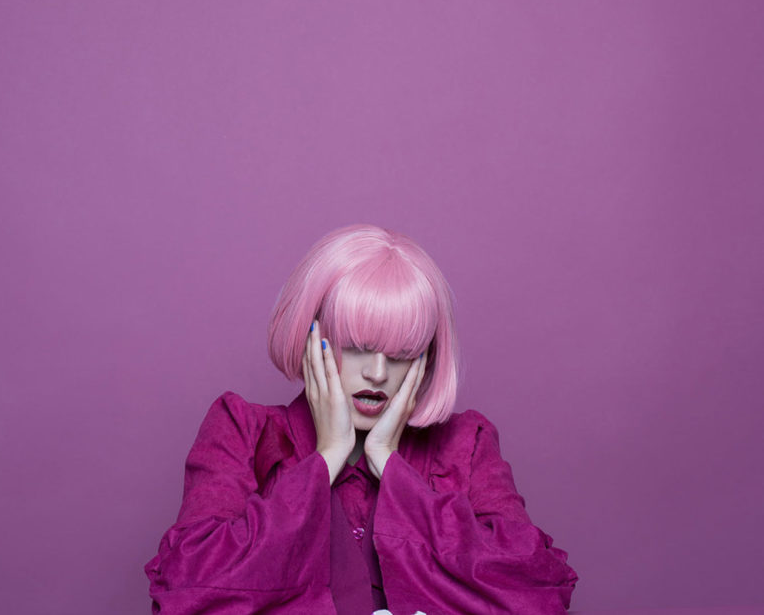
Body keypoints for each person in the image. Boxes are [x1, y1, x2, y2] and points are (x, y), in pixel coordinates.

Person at [146, 225, 577, 615]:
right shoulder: (241, 430)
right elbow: (190, 589)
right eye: (356, 347)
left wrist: (390, 464)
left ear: (425, 359)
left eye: (402, 353)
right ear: (311, 337)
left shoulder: (466, 443)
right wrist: (326, 458)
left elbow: (535, 593)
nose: (377, 373)